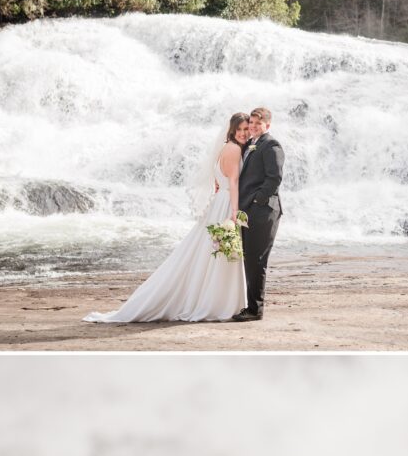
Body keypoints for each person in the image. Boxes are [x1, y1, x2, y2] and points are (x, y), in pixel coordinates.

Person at [83, 114, 249, 324]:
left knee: (209, 253)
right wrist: (234, 213)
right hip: (226, 204)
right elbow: (233, 182)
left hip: (219, 202)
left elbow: (219, 180)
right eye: (240, 129)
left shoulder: (224, 148)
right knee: (219, 254)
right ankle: (218, 303)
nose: (244, 133)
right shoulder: (234, 150)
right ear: (232, 130)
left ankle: (213, 298)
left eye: (246, 129)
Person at [232, 107, 285, 322]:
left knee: (257, 260)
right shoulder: (252, 145)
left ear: (267, 125)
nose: (253, 126)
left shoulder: (271, 145)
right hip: (250, 212)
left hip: (263, 212)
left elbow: (274, 178)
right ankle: (250, 305)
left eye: (258, 123)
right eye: (251, 123)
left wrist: (256, 201)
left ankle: (255, 309)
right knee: (250, 259)